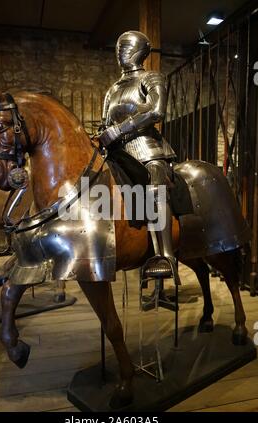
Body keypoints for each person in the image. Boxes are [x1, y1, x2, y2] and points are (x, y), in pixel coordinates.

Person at [98, 30, 180, 284]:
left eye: (126, 48)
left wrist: (120, 129)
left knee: (156, 186)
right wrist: (101, 136)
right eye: (119, 48)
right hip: (118, 153)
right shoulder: (112, 90)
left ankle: (165, 256)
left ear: (140, 51)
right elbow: (105, 123)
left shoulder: (152, 78)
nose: (121, 53)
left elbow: (156, 111)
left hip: (147, 148)